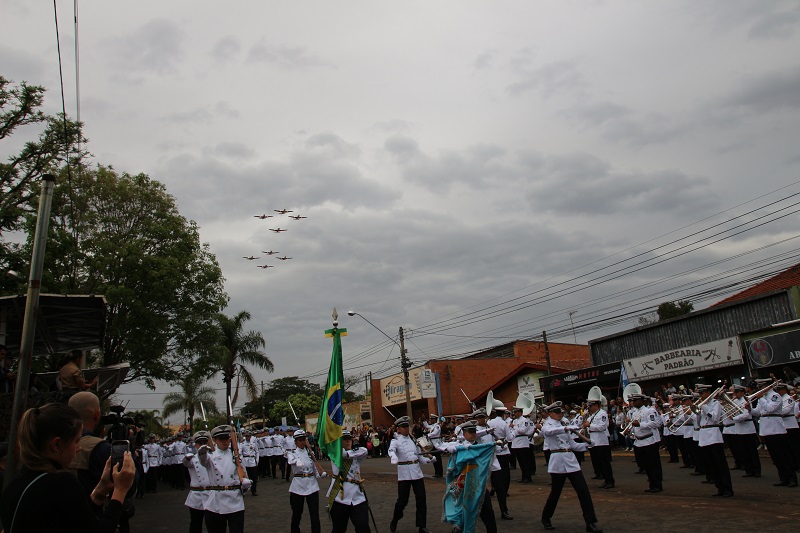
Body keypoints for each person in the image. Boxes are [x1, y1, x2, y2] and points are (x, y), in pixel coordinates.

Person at [0, 403, 135, 532]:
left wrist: (101, 489)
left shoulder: (17, 483)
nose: (79, 448)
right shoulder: (61, 483)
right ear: (56, 445)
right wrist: (120, 490)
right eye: (76, 441)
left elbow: (78, 520)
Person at [539, 402, 602, 533]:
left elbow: (572, 445)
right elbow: (549, 432)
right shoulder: (547, 425)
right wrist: (566, 428)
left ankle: (590, 522)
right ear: (550, 414)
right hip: (557, 461)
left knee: (583, 491)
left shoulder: (563, 424)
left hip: (570, 460)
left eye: (561, 412)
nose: (560, 414)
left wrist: (587, 445)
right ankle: (546, 518)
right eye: (557, 412)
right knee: (555, 493)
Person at [436, 419, 497, 533]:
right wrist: (449, 449)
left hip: (478, 485)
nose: (473, 434)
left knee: (488, 512)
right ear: (464, 434)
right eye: (470, 432)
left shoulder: (481, 448)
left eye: (474, 432)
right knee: (462, 511)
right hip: (463, 486)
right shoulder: (458, 447)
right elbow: (441, 446)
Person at [201, 425, 251, 533]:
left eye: (226, 438)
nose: (224, 441)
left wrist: (245, 484)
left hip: (235, 500)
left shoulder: (236, 455)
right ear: (215, 440)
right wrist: (202, 453)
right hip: (216, 501)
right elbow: (203, 461)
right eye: (221, 439)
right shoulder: (210, 456)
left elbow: (243, 475)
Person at [388, 416, 434, 533]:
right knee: (402, 501)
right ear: (398, 429)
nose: (406, 429)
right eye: (403, 427)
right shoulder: (395, 441)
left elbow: (419, 458)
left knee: (421, 499)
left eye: (407, 426)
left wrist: (430, 460)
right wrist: (393, 457)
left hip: (416, 473)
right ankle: (395, 518)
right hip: (404, 474)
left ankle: (422, 526)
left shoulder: (414, 441)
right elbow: (391, 450)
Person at [750, 380, 797, 487]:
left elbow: (770, 408)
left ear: (767, 386)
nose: (760, 389)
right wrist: (749, 409)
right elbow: (758, 412)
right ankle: (783, 478)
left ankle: (791, 478)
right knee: (775, 457)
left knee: (783, 455)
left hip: (776, 429)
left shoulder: (775, 396)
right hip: (766, 429)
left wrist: (761, 398)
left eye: (762, 387)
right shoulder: (763, 398)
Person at [326, 430, 369, 533]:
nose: (348, 441)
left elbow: (365, 451)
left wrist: (350, 453)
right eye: (345, 439)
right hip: (340, 497)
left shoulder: (354, 454)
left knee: (363, 528)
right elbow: (341, 454)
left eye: (350, 439)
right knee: (338, 530)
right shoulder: (335, 453)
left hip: (358, 497)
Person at [695, 384, 733, 497]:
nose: (700, 396)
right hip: (704, 436)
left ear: (708, 393)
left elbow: (715, 418)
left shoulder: (715, 403)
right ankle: (719, 488)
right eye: (700, 394)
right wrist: (697, 413)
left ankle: (727, 489)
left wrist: (703, 406)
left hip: (713, 435)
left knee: (720, 464)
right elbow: (699, 422)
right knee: (712, 464)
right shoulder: (703, 405)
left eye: (702, 393)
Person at [288, 429, 325, 533]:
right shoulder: (292, 453)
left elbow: (314, 469)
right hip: (298, 486)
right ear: (295, 442)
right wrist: (296, 461)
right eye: (299, 440)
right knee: (297, 513)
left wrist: (320, 474)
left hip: (312, 485)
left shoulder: (310, 453)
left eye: (303, 439)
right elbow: (290, 460)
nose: (302, 442)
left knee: (314, 514)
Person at [630, 393, 663, 493]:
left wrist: (640, 424)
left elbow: (655, 424)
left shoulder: (649, 410)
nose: (633, 403)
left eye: (635, 401)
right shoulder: (635, 412)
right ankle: (651, 484)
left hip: (649, 441)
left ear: (641, 400)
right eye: (633, 401)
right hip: (639, 442)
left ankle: (657, 485)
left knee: (653, 465)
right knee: (646, 466)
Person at [183, 430, 214, 533]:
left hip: (210, 494)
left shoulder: (213, 457)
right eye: (200, 443)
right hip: (197, 495)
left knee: (212, 524)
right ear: (195, 445)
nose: (202, 445)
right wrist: (187, 458)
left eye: (204, 443)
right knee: (195, 523)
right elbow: (185, 463)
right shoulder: (192, 458)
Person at [486, 404, 512, 520]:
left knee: (499, 483)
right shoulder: (502, 424)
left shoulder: (490, 424)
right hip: (489, 458)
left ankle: (504, 510)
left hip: (495, 456)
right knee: (505, 475)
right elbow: (509, 437)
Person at [583, 398, 614, 489]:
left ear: (596, 406)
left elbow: (602, 427)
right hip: (594, 441)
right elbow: (587, 426)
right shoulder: (591, 416)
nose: (589, 408)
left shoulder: (602, 414)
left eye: (590, 406)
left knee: (605, 463)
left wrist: (589, 425)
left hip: (601, 441)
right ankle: (605, 479)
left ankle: (610, 480)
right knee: (599, 462)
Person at [508, 406, 535, 482]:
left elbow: (523, 430)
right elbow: (512, 431)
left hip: (523, 442)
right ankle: (524, 477)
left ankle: (528, 477)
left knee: (525, 461)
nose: (515, 414)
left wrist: (514, 427)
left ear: (520, 412)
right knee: (520, 462)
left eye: (516, 412)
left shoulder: (525, 420)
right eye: (514, 412)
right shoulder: (514, 421)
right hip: (516, 441)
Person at [240, 430, 259, 496]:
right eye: (247, 436)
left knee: (254, 477)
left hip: (252, 461)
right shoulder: (242, 444)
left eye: (249, 436)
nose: (248, 437)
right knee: (245, 477)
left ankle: (254, 491)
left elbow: (257, 452)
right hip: (245, 461)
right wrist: (242, 461)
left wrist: (257, 460)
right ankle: (244, 490)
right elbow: (240, 453)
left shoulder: (253, 444)